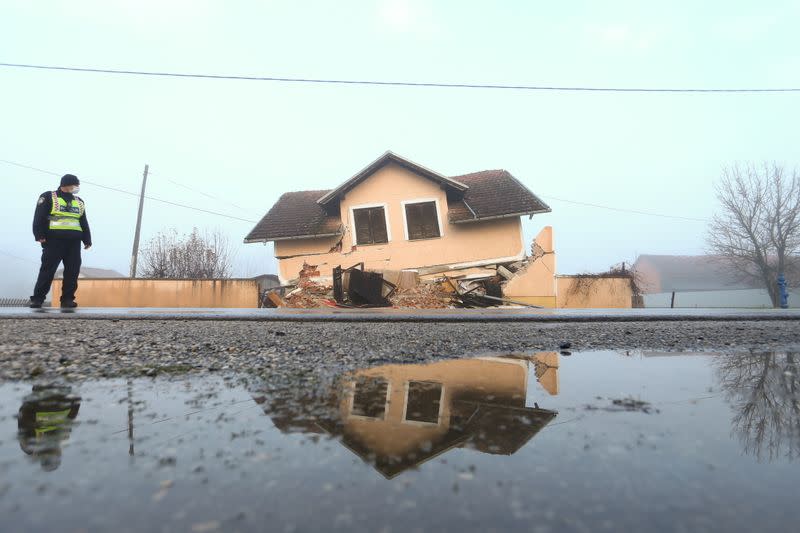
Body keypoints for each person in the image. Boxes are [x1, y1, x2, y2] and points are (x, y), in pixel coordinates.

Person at [29, 174, 92, 308]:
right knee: (48, 270)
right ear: (66, 185)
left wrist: (87, 239)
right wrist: (39, 234)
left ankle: (67, 300)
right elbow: (39, 216)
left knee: (72, 271)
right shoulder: (48, 197)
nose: (77, 188)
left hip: (73, 243)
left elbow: (83, 221)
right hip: (53, 241)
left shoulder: (79, 201)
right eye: (75, 185)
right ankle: (37, 299)